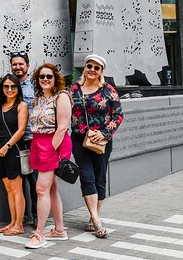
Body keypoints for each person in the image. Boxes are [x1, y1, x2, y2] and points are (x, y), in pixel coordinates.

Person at [70, 54, 123, 238]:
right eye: (89, 66)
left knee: (100, 177)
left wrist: (104, 133)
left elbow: (118, 115)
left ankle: (95, 216)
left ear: (101, 71)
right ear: (84, 68)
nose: (92, 70)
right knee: (86, 176)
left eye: (96, 68)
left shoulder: (108, 90)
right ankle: (96, 220)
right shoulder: (74, 89)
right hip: (78, 140)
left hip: (101, 141)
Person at [24, 63, 73, 249]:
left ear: (55, 79)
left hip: (54, 143)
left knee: (41, 189)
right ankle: (59, 230)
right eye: (41, 76)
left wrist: (51, 150)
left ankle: (39, 233)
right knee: (51, 189)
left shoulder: (61, 97)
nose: (45, 79)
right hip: (38, 142)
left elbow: (62, 127)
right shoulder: (39, 98)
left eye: (49, 76)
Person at [0, 73, 29, 236]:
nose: (9, 89)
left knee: (16, 188)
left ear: (18, 88)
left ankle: (19, 225)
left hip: (13, 149)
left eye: (13, 86)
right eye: (6, 86)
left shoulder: (21, 106)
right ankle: (12, 222)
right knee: (8, 189)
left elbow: (21, 130)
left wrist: (7, 146)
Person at [10, 51, 38, 227]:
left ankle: (35, 215)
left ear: (27, 65)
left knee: (34, 179)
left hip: (31, 138)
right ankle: (22, 216)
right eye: (14, 64)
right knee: (18, 180)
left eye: (21, 64)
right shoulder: (8, 86)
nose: (18, 67)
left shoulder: (35, 86)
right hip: (14, 140)